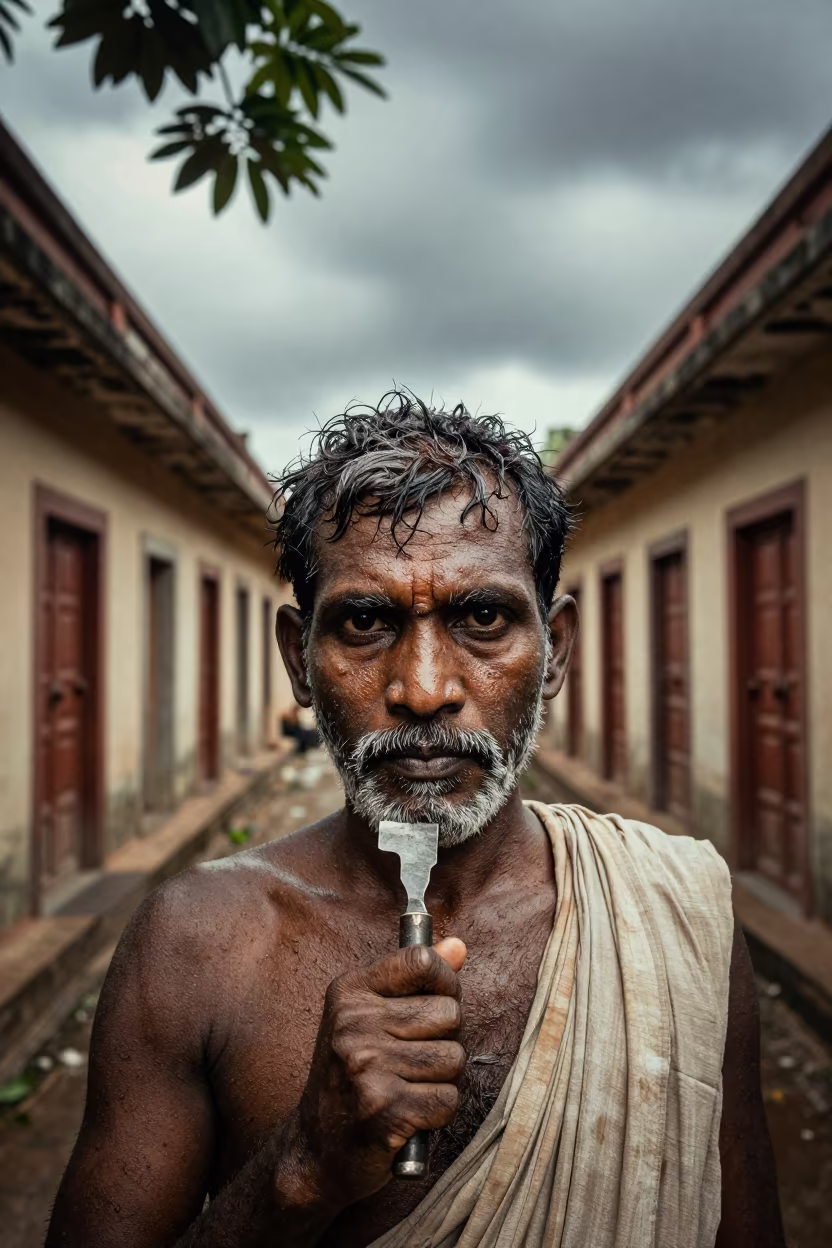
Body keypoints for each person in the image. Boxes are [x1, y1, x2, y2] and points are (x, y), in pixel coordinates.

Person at [46, 394, 784, 1248]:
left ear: (557, 653)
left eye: (483, 618)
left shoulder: (676, 919)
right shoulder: (194, 947)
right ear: (299, 658)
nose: (424, 689)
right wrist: (302, 1173)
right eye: (365, 622)